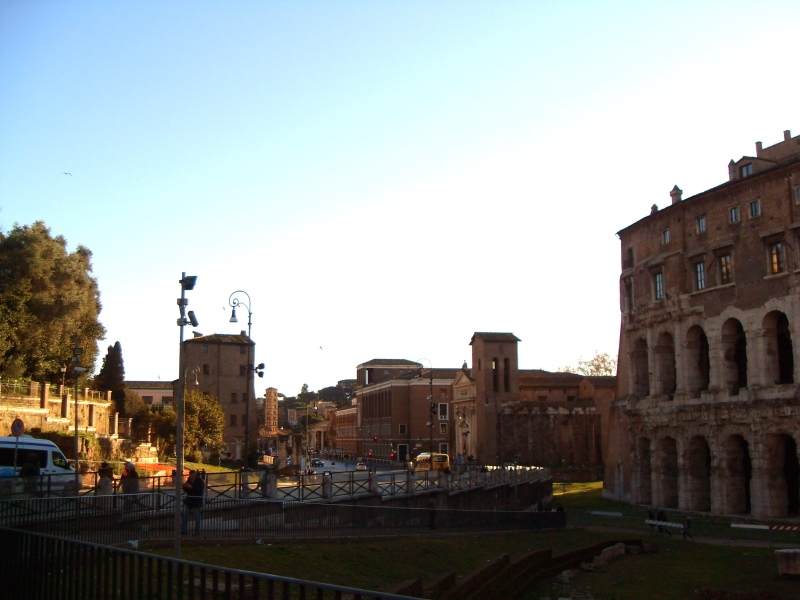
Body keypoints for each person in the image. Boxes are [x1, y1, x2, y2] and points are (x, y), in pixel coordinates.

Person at [181, 470, 205, 536]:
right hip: (189, 501)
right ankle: (184, 530)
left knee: (197, 517)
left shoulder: (200, 481)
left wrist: (191, 487)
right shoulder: (189, 480)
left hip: (196, 501)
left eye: (193, 475)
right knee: (185, 516)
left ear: (195, 475)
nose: (192, 476)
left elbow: (199, 490)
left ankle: (197, 532)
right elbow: (186, 490)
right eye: (191, 475)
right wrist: (185, 487)